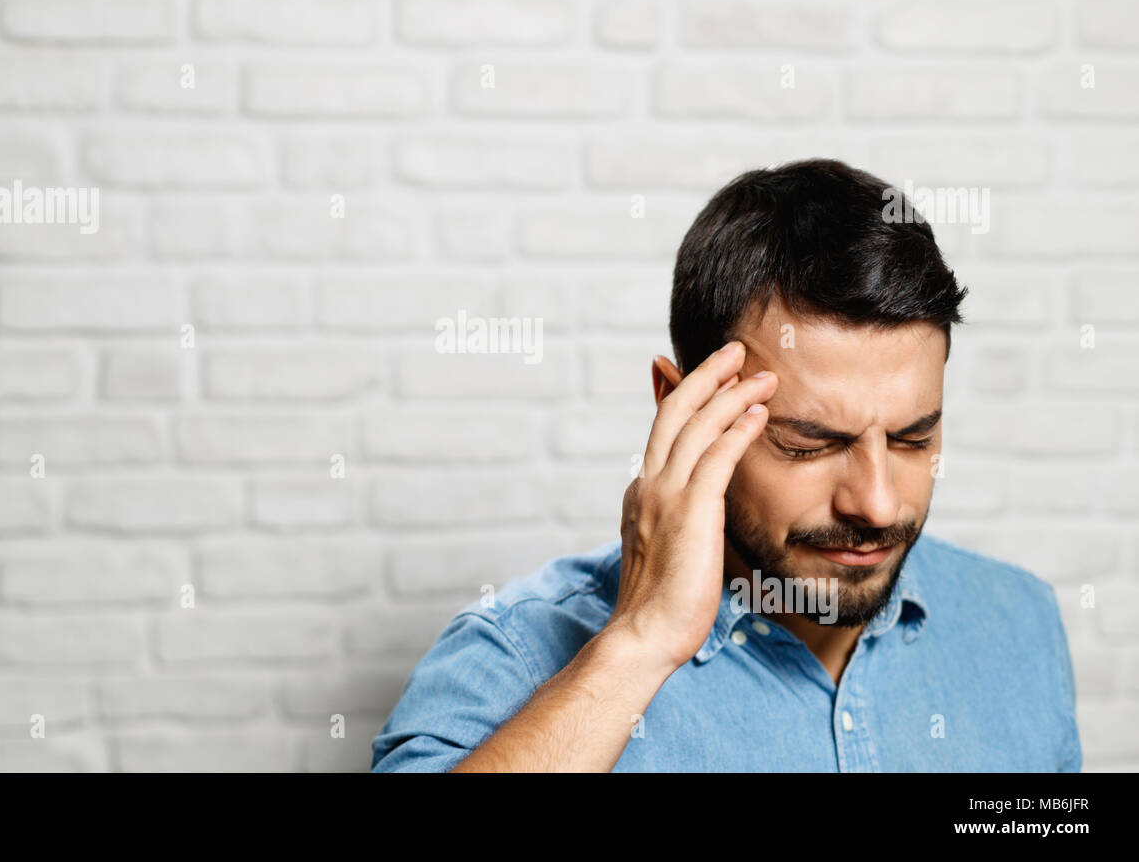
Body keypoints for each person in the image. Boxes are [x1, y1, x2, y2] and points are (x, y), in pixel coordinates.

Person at [371, 158, 1082, 772]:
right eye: (808, 445)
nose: (877, 504)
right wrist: (641, 643)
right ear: (683, 409)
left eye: (911, 440)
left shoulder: (1019, 624)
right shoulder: (519, 655)